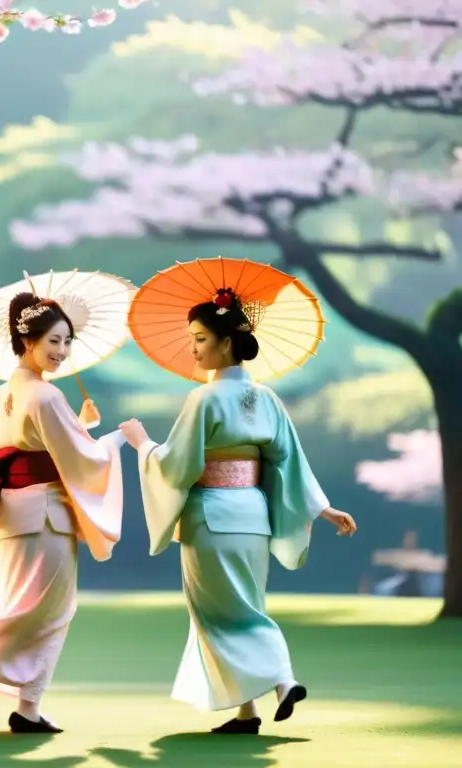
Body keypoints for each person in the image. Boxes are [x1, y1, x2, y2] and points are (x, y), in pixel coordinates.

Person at [118, 287, 357, 735]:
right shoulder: (266, 398)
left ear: (227, 342)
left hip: (210, 518)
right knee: (238, 606)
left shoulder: (204, 399)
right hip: (253, 516)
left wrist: (141, 444)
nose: (194, 347)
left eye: (202, 338)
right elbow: (290, 462)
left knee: (226, 613)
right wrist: (322, 509)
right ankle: (246, 712)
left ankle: (283, 680)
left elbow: (176, 466)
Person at [0, 292, 125, 735]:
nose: (62, 351)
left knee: (21, 607)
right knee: (48, 611)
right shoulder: (47, 396)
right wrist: (114, 440)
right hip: (45, 513)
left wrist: (82, 426)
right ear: (27, 339)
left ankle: (18, 705)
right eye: (54, 340)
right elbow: (82, 459)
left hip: (9, 512)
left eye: (67, 342)